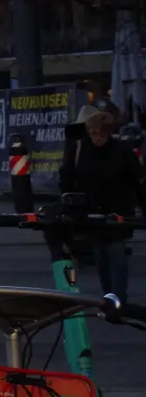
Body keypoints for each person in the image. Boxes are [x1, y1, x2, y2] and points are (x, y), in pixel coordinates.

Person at [60, 108, 146, 303]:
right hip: (90, 212)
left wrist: (142, 208)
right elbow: (66, 178)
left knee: (117, 256)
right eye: (93, 132)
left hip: (117, 211)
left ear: (108, 132)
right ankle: (108, 296)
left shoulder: (121, 151)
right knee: (101, 258)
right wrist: (68, 204)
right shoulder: (79, 149)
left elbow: (137, 181)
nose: (96, 137)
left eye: (100, 133)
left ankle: (119, 299)